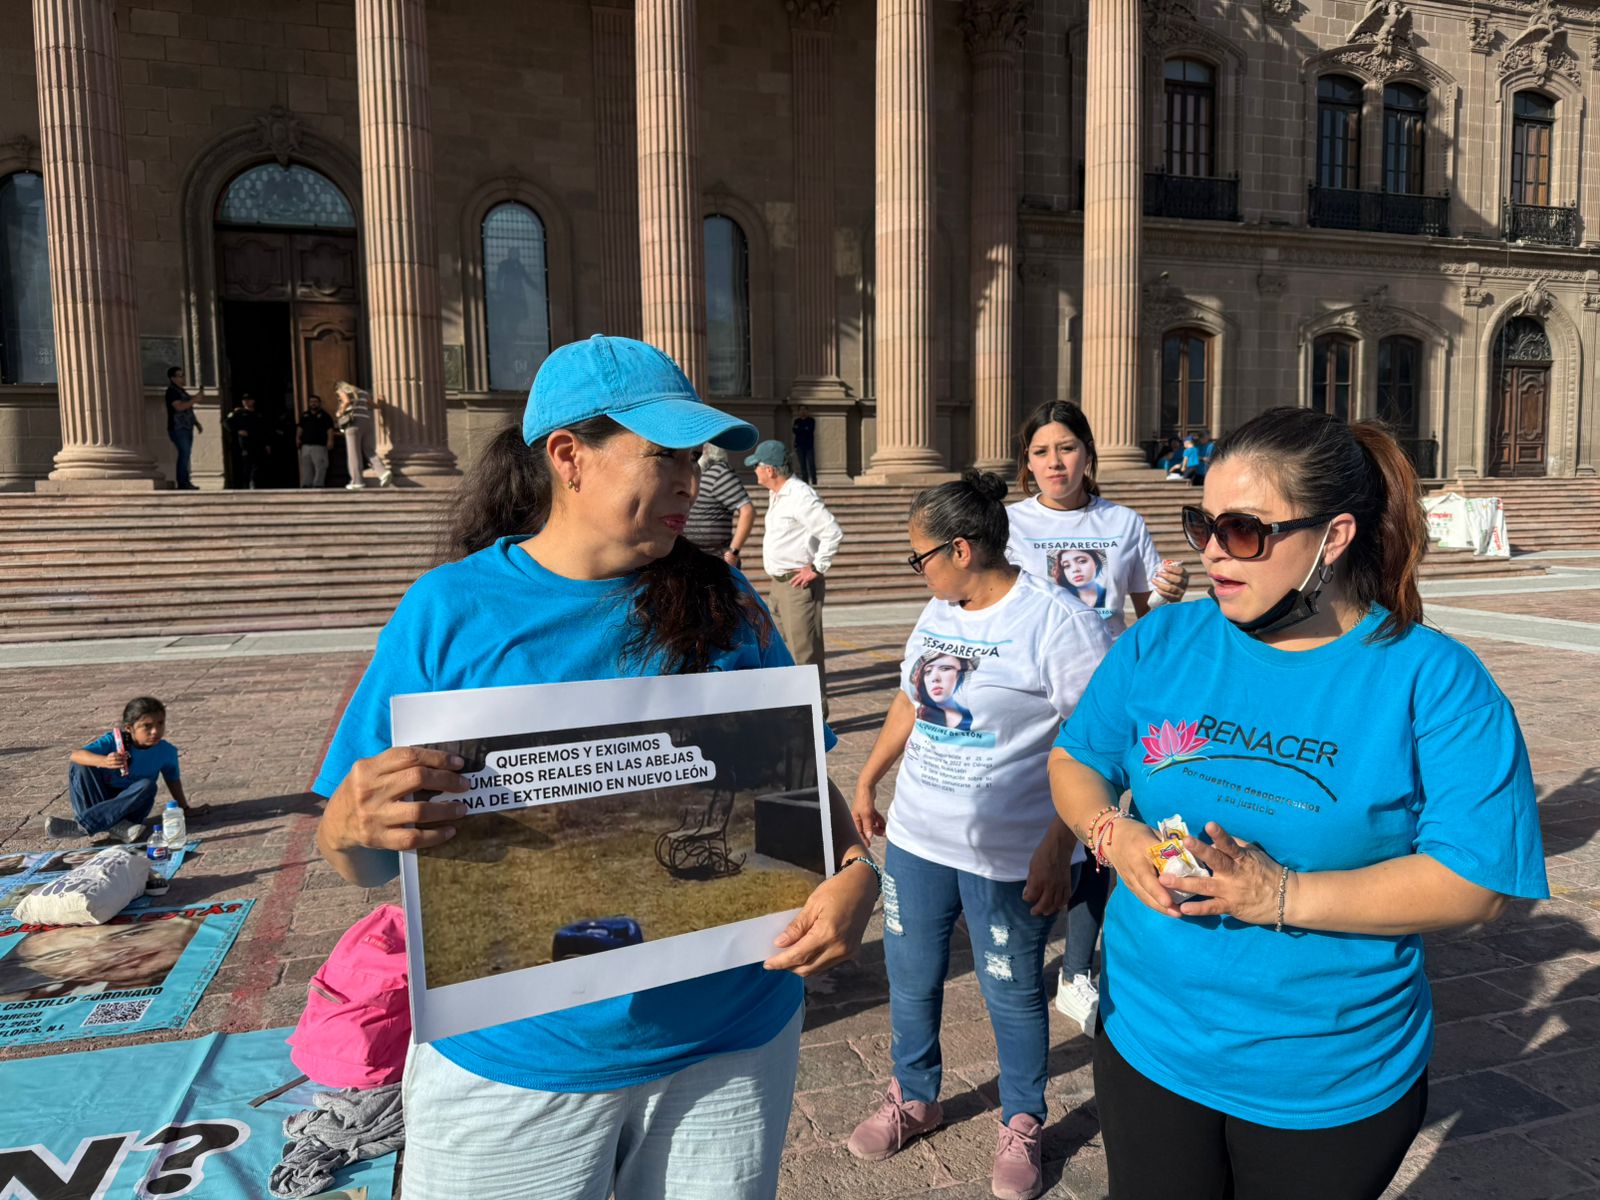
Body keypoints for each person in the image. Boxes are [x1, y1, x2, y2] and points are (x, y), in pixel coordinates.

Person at [312, 334, 880, 1200]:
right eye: (665, 455)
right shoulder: (450, 612)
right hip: (518, 1061)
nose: (691, 482)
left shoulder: (729, 603)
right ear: (568, 456)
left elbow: (796, 780)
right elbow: (359, 862)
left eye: (695, 459)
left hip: (730, 1043)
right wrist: (349, 825)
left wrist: (855, 870)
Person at [1049, 407, 1548, 1200]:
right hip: (1148, 1040)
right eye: (1202, 523)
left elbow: (1476, 882)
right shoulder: (1162, 641)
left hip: (1327, 1075)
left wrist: (1280, 895)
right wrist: (1113, 832)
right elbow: (1077, 759)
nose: (1213, 550)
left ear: (1334, 537)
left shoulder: (1435, 681)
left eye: (1244, 530)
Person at [847, 470, 1112, 1200]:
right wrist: (869, 778)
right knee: (910, 975)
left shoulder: (1057, 622)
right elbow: (910, 699)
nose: (918, 570)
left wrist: (1059, 845)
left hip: (1009, 853)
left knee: (1011, 988)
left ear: (961, 549)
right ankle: (914, 1096)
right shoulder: (941, 609)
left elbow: (1095, 743)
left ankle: (1023, 1118)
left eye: (920, 557)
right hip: (918, 838)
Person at [1004, 399, 1188, 1033]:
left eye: (1067, 448)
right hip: (1030, 695)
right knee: (1030, 824)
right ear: (1027, 464)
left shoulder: (1122, 522)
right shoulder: (1010, 524)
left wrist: (1167, 595)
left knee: (1097, 828)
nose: (1055, 462)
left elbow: (1146, 614)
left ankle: (1077, 969)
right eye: (1041, 452)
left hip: (1105, 699)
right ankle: (1019, 951)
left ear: (1088, 454)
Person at [747, 438, 843, 721]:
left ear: (770, 469)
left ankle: (814, 720)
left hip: (798, 585)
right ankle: (795, 711)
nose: (755, 472)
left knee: (804, 655)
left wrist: (817, 567)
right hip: (779, 584)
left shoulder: (800, 495)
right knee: (784, 651)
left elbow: (832, 531)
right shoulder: (778, 494)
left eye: (757, 466)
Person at [47, 697, 208, 842]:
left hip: (131, 811)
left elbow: (173, 779)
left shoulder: (166, 751)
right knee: (80, 764)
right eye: (147, 726)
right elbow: (75, 755)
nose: (155, 731)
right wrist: (104, 761)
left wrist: (184, 808)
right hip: (97, 802)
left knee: (147, 785)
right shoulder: (114, 741)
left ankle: (82, 827)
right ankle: (116, 827)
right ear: (129, 728)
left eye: (160, 723)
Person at [683, 442, 754, 567]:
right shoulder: (697, 471)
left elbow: (747, 511)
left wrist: (733, 552)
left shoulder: (720, 472)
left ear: (707, 450)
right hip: (691, 557)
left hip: (715, 560)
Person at [334, 382, 391, 489]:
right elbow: (374, 406)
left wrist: (340, 412)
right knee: (369, 450)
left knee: (353, 453)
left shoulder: (342, 390)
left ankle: (357, 481)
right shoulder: (363, 393)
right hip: (366, 422)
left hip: (353, 423)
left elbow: (346, 401)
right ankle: (383, 472)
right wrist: (379, 401)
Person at [910, 651, 975, 729]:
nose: (934, 678)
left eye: (945, 669)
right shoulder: (919, 715)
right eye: (928, 671)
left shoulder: (978, 718)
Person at [164, 366, 202, 490]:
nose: (183, 378)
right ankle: (183, 482)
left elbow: (188, 409)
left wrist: (196, 423)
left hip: (186, 427)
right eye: (180, 376)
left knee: (186, 454)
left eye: (183, 375)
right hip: (178, 428)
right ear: (173, 378)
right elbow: (179, 407)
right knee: (184, 454)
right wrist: (194, 400)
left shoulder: (182, 391)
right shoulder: (172, 391)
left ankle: (185, 481)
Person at [224, 392, 267, 489]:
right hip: (244, 444)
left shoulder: (258, 414)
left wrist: (266, 444)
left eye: (248, 400)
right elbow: (226, 423)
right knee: (246, 466)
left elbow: (263, 430)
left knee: (257, 465)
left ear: (253, 401)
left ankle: (254, 483)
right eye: (244, 400)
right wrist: (237, 431)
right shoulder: (238, 413)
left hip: (257, 443)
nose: (246, 402)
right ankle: (246, 485)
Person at [298, 393, 336, 488]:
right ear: (309, 403)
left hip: (319, 445)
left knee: (320, 466)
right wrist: (297, 438)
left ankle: (318, 484)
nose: (313, 403)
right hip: (306, 446)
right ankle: (307, 484)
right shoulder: (305, 415)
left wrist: (330, 441)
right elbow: (300, 428)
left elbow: (330, 429)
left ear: (319, 403)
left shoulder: (325, 416)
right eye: (311, 402)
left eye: (315, 402)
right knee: (306, 467)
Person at [1051, 546, 1107, 610]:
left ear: (1096, 563)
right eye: (1067, 566)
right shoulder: (1059, 598)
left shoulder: (1109, 595)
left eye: (1082, 561)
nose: (1075, 569)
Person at [792, 404, 817, 484]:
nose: (802, 411)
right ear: (798, 411)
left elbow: (809, 430)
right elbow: (794, 430)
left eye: (804, 409)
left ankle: (814, 481)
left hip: (809, 446)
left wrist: (800, 429)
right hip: (799, 446)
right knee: (803, 465)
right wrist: (803, 429)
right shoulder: (797, 421)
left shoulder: (811, 420)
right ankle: (805, 481)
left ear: (807, 411)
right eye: (801, 410)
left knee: (811, 464)